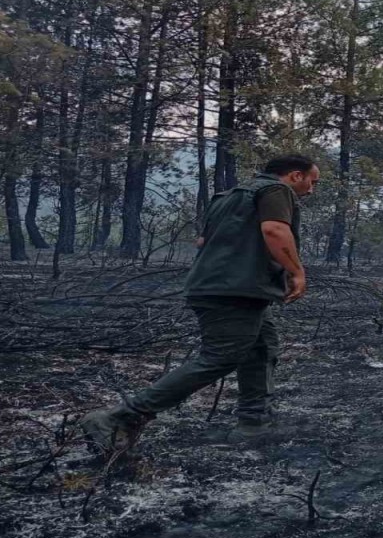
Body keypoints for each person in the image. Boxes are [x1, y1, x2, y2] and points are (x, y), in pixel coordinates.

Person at [80, 154, 321, 454]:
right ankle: (121, 417)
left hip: (224, 286)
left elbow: (203, 242)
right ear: (295, 176)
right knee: (220, 356)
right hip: (233, 290)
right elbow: (274, 230)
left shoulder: (227, 197)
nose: (312, 190)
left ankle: (254, 423)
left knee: (261, 347)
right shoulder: (275, 191)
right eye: (313, 181)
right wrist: (297, 271)